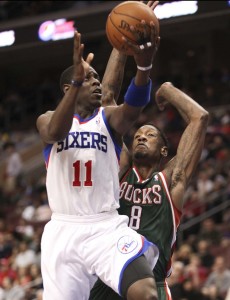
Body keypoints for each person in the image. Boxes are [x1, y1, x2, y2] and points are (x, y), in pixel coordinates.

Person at [36, 11, 161, 300]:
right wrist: (78, 81)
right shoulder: (48, 118)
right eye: (88, 78)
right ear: (70, 88)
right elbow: (55, 132)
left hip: (105, 226)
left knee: (145, 292)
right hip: (63, 231)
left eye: (95, 78)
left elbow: (133, 106)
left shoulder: (106, 119)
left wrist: (144, 66)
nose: (96, 82)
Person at [89, 28, 209, 300]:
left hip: (151, 281)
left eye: (150, 134)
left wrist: (167, 89)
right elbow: (107, 101)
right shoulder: (120, 171)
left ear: (164, 150)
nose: (141, 136)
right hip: (110, 278)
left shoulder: (172, 180)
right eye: (138, 134)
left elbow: (199, 118)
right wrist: (121, 43)